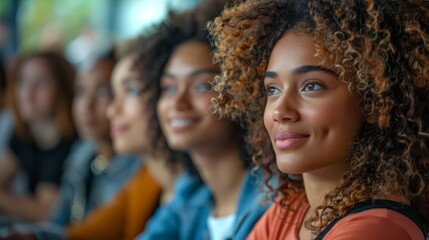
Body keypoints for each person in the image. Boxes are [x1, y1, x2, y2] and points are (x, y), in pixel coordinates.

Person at [209, 0, 429, 239]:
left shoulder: (377, 229)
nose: (280, 110)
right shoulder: (291, 209)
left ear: (375, 101)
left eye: (311, 86)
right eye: (273, 89)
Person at [135, 15, 271, 240]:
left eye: (201, 86)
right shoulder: (190, 194)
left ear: (243, 93)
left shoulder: (273, 197)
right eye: (168, 88)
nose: (178, 102)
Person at [0, 51, 76, 223]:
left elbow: (46, 213)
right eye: (22, 81)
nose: (27, 91)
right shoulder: (25, 134)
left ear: (63, 88)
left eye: (40, 82)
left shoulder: (73, 142)